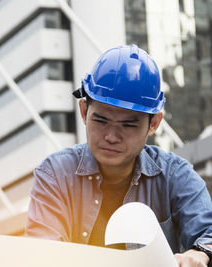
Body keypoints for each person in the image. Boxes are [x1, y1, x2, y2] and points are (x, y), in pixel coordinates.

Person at [26, 44, 212, 266]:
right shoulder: (55, 174)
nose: (112, 136)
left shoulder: (174, 175)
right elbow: (43, 254)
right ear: (84, 112)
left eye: (127, 125)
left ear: (153, 124)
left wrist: (200, 253)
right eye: (101, 121)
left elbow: (208, 232)